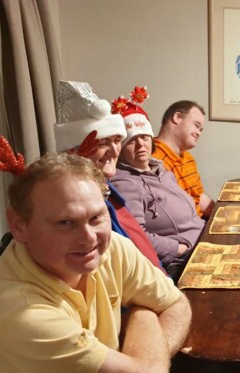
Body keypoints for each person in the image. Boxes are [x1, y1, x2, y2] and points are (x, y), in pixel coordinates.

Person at [0, 153, 191, 372]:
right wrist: (145, 312)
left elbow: (177, 304)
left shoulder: (112, 249)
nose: (89, 238)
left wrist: (153, 354)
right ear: (18, 226)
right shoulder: (22, 315)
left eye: (96, 217)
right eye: (65, 223)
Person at [54, 80, 164, 273]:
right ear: (74, 152)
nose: (114, 151)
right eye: (103, 143)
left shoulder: (107, 191)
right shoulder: (75, 206)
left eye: (117, 140)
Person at [111, 88, 205, 280]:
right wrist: (179, 248)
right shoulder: (125, 184)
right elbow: (136, 237)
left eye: (144, 138)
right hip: (184, 260)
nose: (140, 146)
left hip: (202, 242)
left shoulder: (160, 170)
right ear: (121, 147)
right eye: (131, 141)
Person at [152, 100, 214, 218]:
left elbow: (200, 198)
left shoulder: (188, 158)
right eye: (196, 125)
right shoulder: (153, 159)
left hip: (200, 222)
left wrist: (224, 215)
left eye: (200, 130)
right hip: (185, 228)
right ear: (177, 117)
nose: (198, 133)